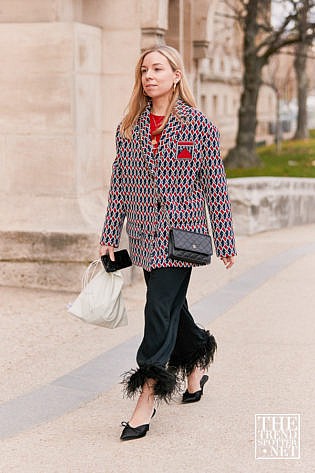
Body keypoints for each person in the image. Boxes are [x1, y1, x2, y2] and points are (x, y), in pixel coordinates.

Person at [99, 45, 236, 441]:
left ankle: (147, 393)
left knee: (158, 309)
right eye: (144, 70)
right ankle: (196, 363)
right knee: (174, 306)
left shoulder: (199, 126)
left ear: (177, 75)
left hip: (180, 239)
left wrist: (224, 240)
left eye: (158, 68)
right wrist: (111, 234)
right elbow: (120, 186)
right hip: (144, 235)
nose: (149, 76)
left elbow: (216, 189)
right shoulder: (129, 126)